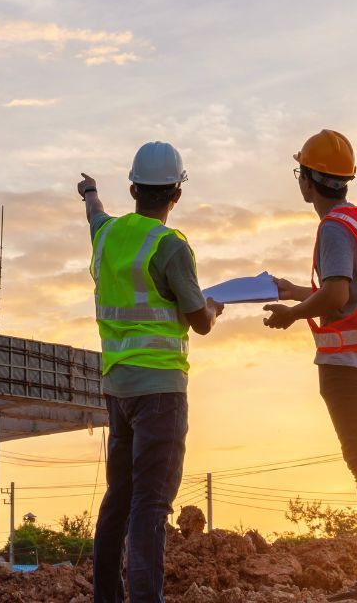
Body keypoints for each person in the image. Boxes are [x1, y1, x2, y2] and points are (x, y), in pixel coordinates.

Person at [262, 130, 357, 600]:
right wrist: (293, 290)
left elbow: (337, 294)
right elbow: (351, 291)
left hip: (347, 364)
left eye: (299, 173)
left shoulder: (331, 227)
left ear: (309, 180)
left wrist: (292, 314)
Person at [79, 141, 223, 603]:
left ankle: (107, 598)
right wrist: (213, 308)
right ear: (176, 195)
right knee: (150, 504)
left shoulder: (107, 235)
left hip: (117, 389)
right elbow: (199, 321)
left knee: (119, 497)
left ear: (133, 188)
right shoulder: (170, 245)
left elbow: (95, 214)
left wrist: (89, 192)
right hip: (160, 389)